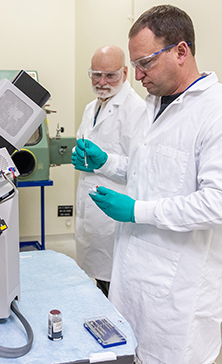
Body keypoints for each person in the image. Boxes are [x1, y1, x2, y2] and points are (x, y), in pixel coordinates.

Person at [72, 5, 222, 364]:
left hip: (181, 291)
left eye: (145, 63)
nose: (138, 75)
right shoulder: (153, 105)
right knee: (131, 353)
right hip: (133, 275)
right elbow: (150, 172)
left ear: (181, 51)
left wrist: (136, 211)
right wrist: (108, 162)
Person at [73, 45, 145, 297]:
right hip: (90, 209)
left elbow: (138, 169)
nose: (102, 82)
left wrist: (103, 161)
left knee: (114, 287)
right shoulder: (91, 107)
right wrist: (81, 158)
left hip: (113, 214)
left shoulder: (136, 110)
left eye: (110, 75)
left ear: (125, 73)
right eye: (96, 74)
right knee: (96, 281)